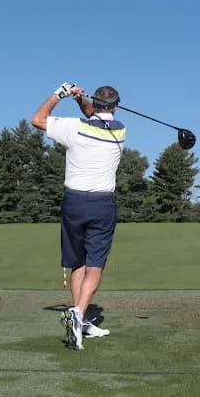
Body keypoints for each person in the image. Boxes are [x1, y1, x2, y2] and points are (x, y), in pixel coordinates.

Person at [31, 82, 125, 350]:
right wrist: (81, 99)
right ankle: (79, 315)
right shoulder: (120, 131)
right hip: (102, 204)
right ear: (115, 107)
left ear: (95, 104)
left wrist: (59, 94)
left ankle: (78, 317)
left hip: (73, 203)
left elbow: (37, 119)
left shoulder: (74, 128)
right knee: (95, 264)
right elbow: (93, 114)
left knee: (77, 262)